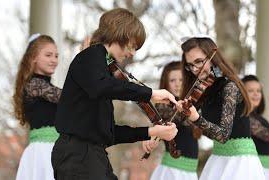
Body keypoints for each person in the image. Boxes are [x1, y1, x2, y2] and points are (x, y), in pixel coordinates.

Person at [51, 8, 178, 180]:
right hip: (78, 156)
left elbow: (108, 134)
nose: (132, 53)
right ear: (120, 33)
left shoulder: (102, 71)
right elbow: (103, 87)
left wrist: (151, 131)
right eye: (132, 45)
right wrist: (150, 93)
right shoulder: (90, 55)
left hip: (94, 156)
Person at [176, 37, 265, 180]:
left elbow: (223, 135)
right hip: (219, 158)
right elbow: (209, 131)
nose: (195, 69)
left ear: (213, 57)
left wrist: (196, 118)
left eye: (199, 61)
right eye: (190, 65)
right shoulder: (206, 90)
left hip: (240, 162)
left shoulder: (230, 87)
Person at [13, 34, 61, 180]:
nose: (54, 60)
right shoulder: (35, 85)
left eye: (56, 56)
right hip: (43, 153)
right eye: (48, 55)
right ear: (33, 57)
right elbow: (68, 98)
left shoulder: (46, 87)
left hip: (56, 150)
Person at [142, 61, 199, 180]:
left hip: (191, 171)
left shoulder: (192, 104)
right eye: (172, 80)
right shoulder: (163, 107)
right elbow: (173, 120)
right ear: (166, 84)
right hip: (172, 171)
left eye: (181, 80)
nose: (177, 84)